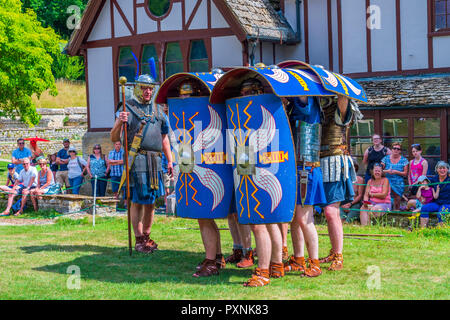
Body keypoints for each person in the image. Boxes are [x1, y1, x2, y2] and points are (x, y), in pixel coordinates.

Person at [110, 74, 173, 254]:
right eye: (145, 88)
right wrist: (118, 123)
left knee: (151, 201)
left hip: (155, 160)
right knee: (136, 201)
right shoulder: (127, 107)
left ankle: (146, 236)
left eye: (151, 88)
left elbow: (164, 138)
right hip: (136, 159)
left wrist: (170, 160)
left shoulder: (158, 110)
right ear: (137, 88)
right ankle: (138, 239)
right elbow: (114, 138)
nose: (148, 91)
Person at [281, 95, 327, 278]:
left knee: (305, 219)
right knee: (295, 219)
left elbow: (303, 97)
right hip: (296, 168)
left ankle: (314, 263)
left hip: (306, 169)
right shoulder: (294, 107)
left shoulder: (309, 105)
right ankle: (299, 259)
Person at [318, 95, 361, 271]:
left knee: (331, 211)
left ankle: (338, 255)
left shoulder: (340, 106)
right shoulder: (316, 107)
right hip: (316, 162)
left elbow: (343, 100)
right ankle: (334, 251)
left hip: (334, 163)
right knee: (327, 213)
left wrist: (339, 90)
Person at [420, 161, 450, 227]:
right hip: (436, 203)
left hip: (447, 204)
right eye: (440, 168)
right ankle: (423, 230)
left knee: (442, 213)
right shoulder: (434, 180)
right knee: (424, 208)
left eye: (444, 168)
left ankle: (441, 232)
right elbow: (424, 186)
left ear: (447, 169)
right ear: (437, 170)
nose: (442, 170)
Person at [381, 142, 408, 210]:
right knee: (386, 196)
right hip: (387, 180)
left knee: (397, 198)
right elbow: (379, 170)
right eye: (394, 148)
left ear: (400, 151)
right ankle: (387, 210)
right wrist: (387, 171)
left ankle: (397, 211)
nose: (396, 150)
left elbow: (405, 173)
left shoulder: (404, 160)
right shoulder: (385, 158)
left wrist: (396, 172)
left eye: (398, 149)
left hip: (398, 181)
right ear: (391, 149)